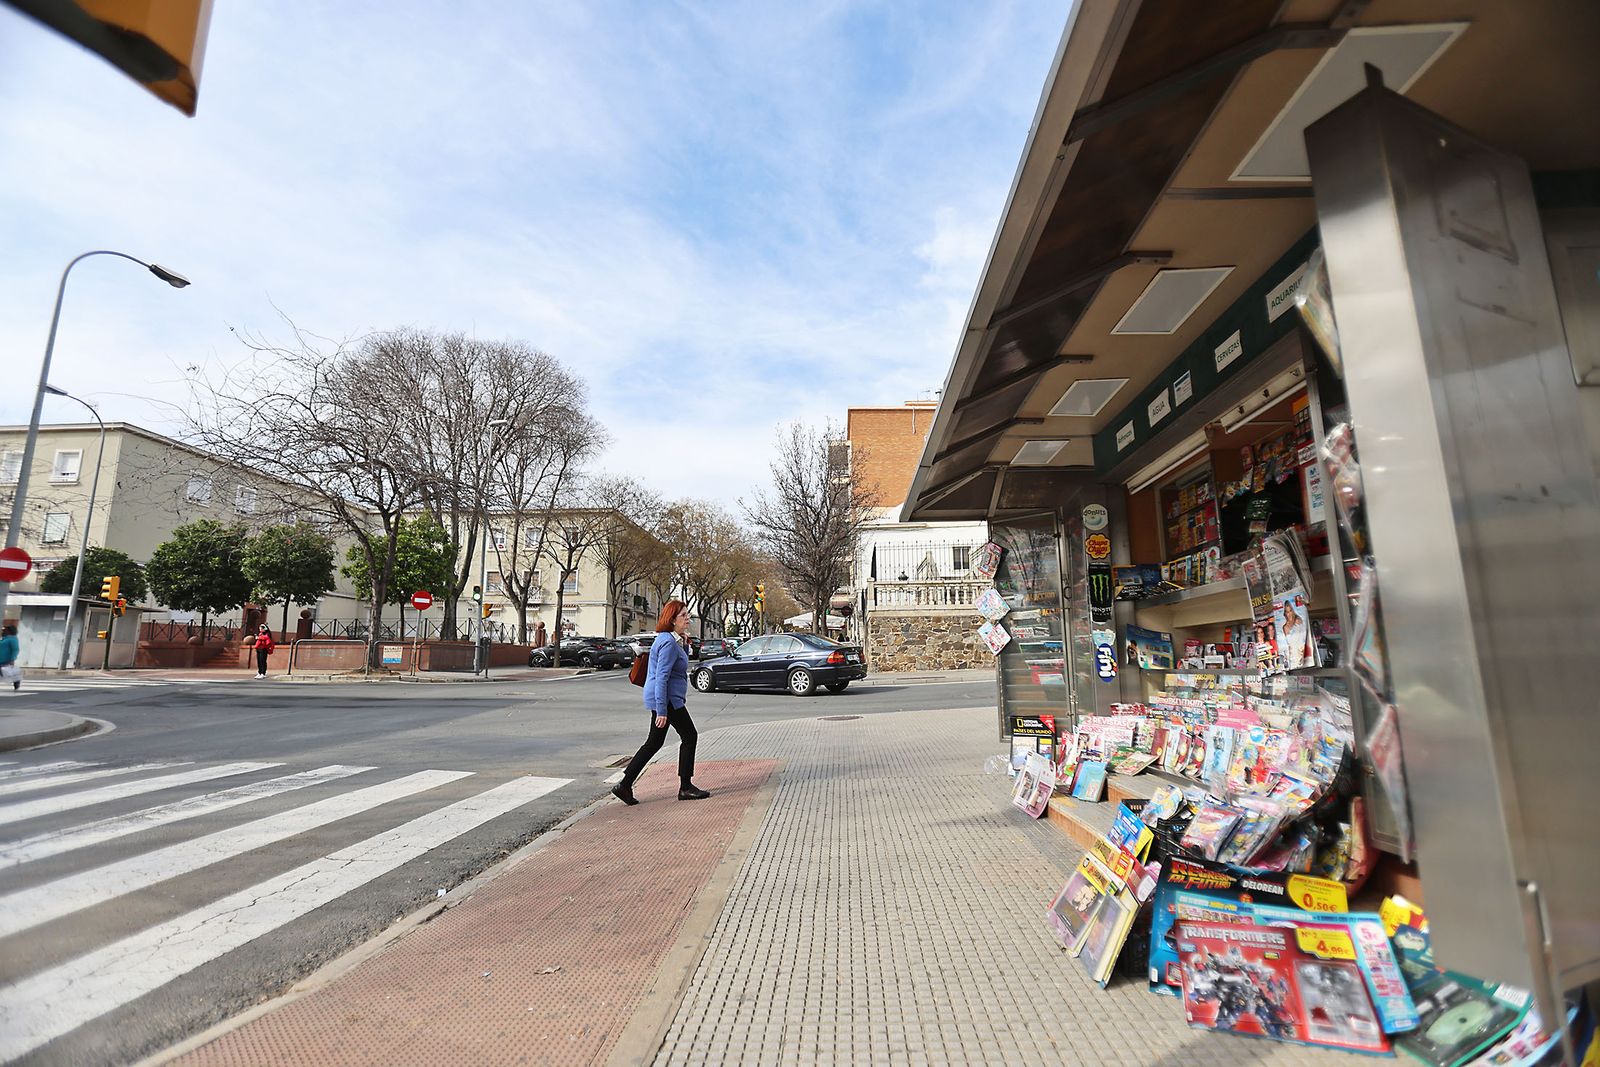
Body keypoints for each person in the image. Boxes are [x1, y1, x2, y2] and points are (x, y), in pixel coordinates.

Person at [612, 599, 710, 804]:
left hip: (667, 700)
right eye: (683, 615)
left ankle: (625, 784)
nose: (687, 618)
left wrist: (683, 642)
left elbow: (678, 665)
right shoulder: (666, 642)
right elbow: (662, 676)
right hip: (667, 701)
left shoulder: (671, 640)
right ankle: (685, 787)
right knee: (689, 736)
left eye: (687, 615)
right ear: (672, 619)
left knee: (654, 743)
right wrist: (662, 709)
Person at [0, 624, 19, 691]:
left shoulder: (13, 639)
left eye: (4, 630)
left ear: (9, 631)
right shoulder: (4, 639)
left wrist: (12, 659)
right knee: (4, 673)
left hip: (6, 659)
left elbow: (15, 649)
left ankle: (16, 681)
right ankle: (16, 681)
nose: (2, 632)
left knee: (8, 672)